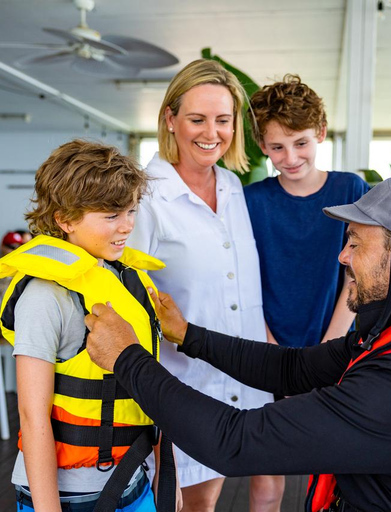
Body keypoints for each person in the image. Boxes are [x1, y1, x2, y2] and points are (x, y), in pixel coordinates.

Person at [86, 174, 391, 511]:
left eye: (356, 243)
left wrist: (127, 358)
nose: (343, 257)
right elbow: (293, 368)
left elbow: (235, 443)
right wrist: (188, 335)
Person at [0, 140, 178, 512]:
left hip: (134, 479)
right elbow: (32, 414)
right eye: (111, 216)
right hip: (68, 497)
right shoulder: (45, 297)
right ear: (64, 218)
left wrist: (164, 473)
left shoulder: (130, 282)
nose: (126, 226)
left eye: (131, 210)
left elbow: (149, 382)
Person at [127, 59, 282, 512]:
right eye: (196, 119)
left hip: (249, 377)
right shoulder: (145, 197)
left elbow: (242, 290)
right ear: (170, 119)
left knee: (267, 490)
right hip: (185, 383)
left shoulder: (234, 187)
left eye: (223, 120)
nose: (210, 132)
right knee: (195, 503)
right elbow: (128, 298)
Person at [244, 74, 368, 348]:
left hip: (335, 348)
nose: (290, 158)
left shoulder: (351, 190)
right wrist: (273, 355)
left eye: (301, 143)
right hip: (266, 349)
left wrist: (327, 350)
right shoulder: (251, 201)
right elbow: (244, 281)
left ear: (320, 133)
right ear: (263, 146)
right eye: (277, 147)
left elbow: (359, 274)